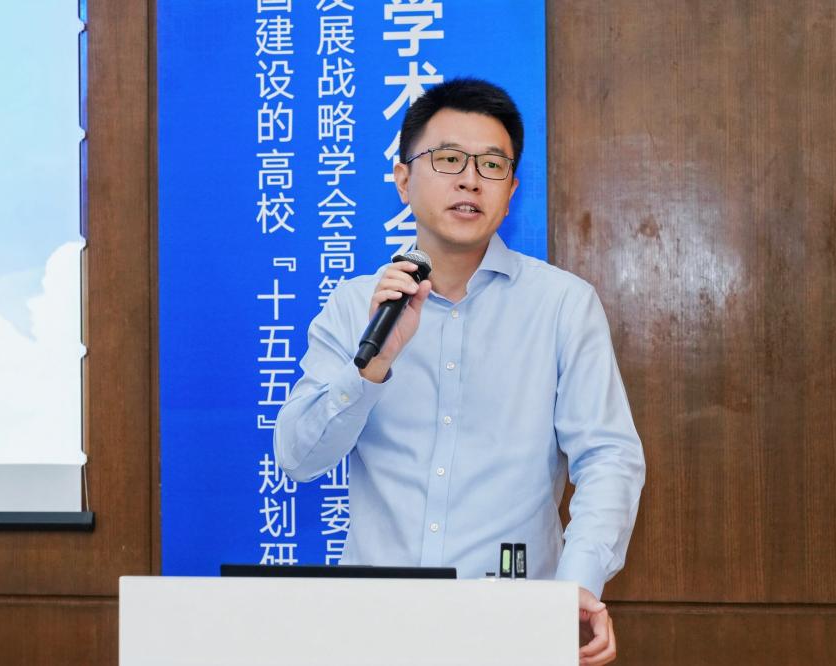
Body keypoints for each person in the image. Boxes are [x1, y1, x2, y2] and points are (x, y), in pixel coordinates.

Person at [274, 78, 645, 665]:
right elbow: (298, 458)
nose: (470, 180)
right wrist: (371, 366)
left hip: (509, 624)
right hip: (372, 626)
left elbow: (608, 458)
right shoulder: (355, 306)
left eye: (492, 165)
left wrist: (575, 584)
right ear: (403, 179)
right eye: (448, 159)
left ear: (511, 190)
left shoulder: (562, 305)